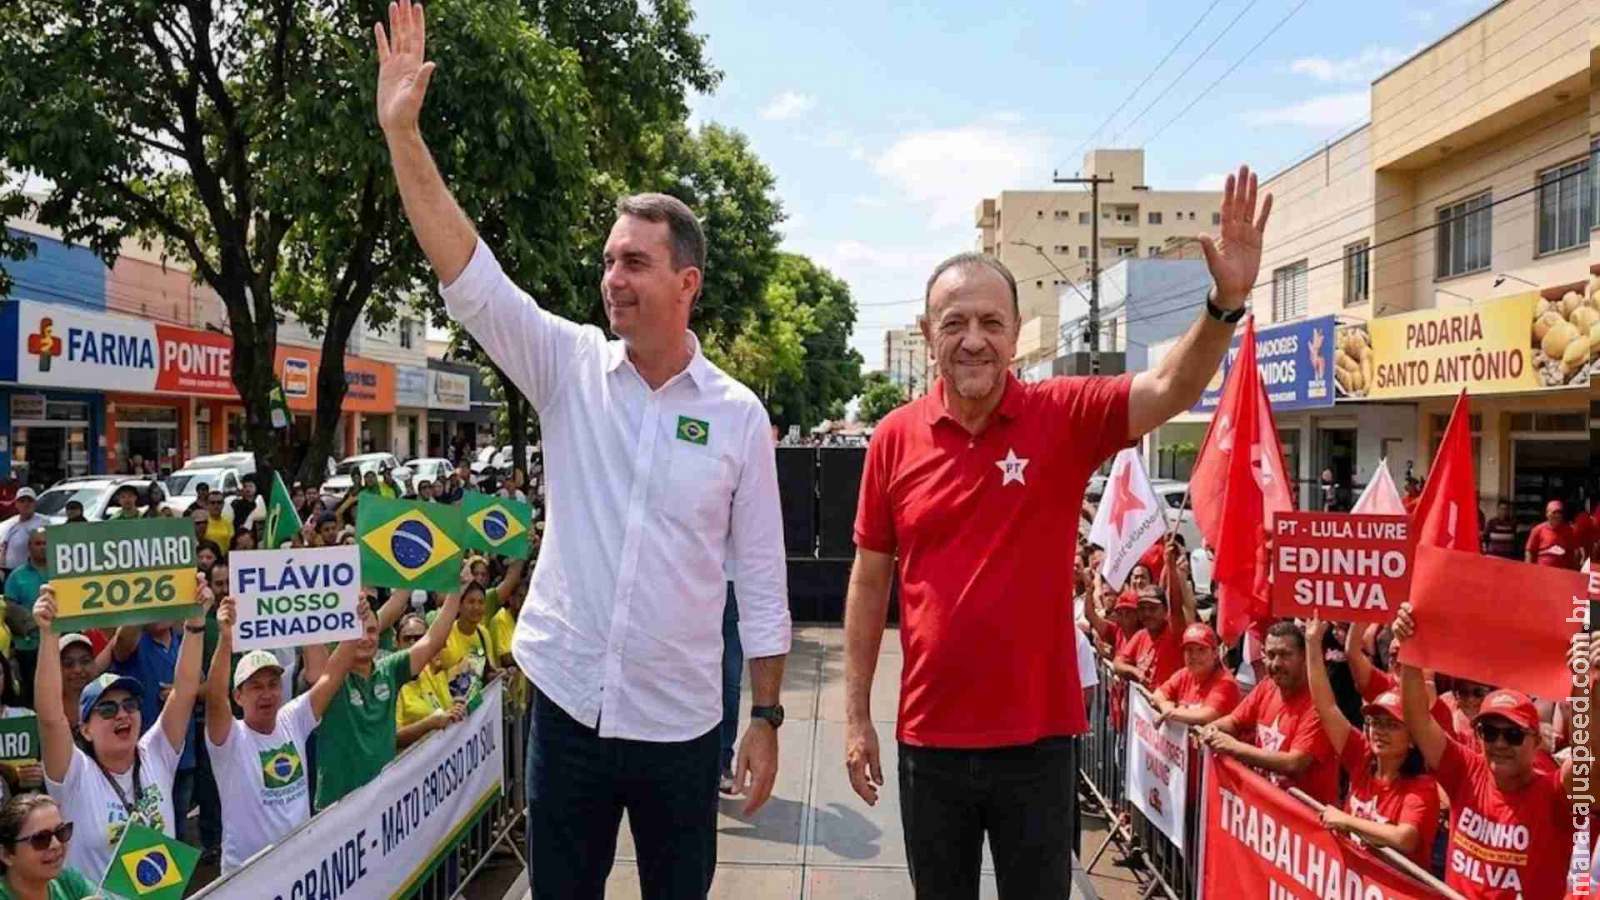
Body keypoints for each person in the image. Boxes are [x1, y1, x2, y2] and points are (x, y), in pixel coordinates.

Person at [377, 4, 793, 894]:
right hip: (566, 712)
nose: (611, 279)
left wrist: (764, 717)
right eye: (608, 261)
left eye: (634, 263)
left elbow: (760, 578)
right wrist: (402, 134)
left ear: (686, 282)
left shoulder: (739, 417)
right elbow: (467, 270)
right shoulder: (567, 366)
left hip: (683, 731)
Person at [842, 162, 1273, 897]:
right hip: (929, 742)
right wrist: (857, 718)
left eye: (990, 322)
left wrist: (1223, 305)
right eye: (955, 323)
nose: (973, 339)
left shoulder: (1062, 415)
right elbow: (868, 579)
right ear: (927, 334)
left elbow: (1172, 387)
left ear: (1014, 334)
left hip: (1038, 744)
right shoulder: (892, 437)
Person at [1391, 601, 1583, 899]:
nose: (1500, 744)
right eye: (1489, 732)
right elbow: (1417, 719)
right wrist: (1410, 651)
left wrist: (1587, 686)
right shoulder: (1466, 770)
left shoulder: (1555, 796)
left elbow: (1590, 755)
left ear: (1535, 741)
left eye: (1513, 735)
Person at [34, 577, 210, 881]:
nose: (122, 714)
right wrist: (49, 634)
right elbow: (51, 717)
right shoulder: (75, 774)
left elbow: (184, 692)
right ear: (85, 730)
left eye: (130, 705)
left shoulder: (156, 752)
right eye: (107, 708)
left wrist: (195, 623)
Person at [203, 596, 359, 873]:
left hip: (299, 868)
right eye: (256, 687)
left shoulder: (292, 718)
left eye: (273, 684)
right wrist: (226, 639)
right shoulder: (229, 738)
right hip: (247, 877)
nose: (267, 694)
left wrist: (354, 625)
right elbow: (215, 697)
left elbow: (331, 676)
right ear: (238, 696)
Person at [303, 569, 461, 811]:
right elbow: (314, 671)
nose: (366, 639)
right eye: (357, 631)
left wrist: (454, 590)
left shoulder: (389, 669)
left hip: (384, 803)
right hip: (337, 812)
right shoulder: (332, 679)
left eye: (372, 631)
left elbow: (432, 641)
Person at [1303, 618, 1439, 870]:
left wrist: (1346, 821)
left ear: (1412, 739)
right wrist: (1312, 643)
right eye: (1375, 722)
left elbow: (1404, 838)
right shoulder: (1361, 755)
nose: (1379, 731)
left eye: (1391, 725)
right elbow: (1326, 707)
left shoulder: (1421, 787)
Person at [1197, 621, 1340, 805]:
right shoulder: (1267, 685)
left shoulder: (1319, 704)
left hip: (1304, 823)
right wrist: (1212, 729)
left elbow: (1294, 763)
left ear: (1304, 656)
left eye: (1285, 655)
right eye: (1271, 655)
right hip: (1265, 814)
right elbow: (1235, 721)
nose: (1276, 663)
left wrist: (1234, 747)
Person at [0, 795, 99, 900]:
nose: (56, 844)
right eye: (41, 838)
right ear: (6, 855)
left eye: (61, 831)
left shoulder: (69, 882)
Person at [1149, 623, 1240, 727]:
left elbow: (1206, 716)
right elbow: (1158, 695)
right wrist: (1166, 706)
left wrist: (1172, 713)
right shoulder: (1185, 673)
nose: (1194, 656)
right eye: (1189, 650)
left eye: (1201, 650)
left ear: (1215, 653)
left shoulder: (1226, 683)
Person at [0, 491, 47, 573]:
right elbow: (3, 546)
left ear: (35, 503)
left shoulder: (44, 523)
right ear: (16, 504)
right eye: (22, 501)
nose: (26, 504)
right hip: (8, 572)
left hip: (32, 572)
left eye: (29, 501)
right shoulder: (8, 523)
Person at [1525, 499, 1579, 570]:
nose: (1557, 515)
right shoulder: (1538, 529)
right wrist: (1528, 569)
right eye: (1554, 512)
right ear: (1547, 514)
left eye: (1560, 513)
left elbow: (1574, 552)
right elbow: (1529, 551)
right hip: (1543, 571)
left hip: (1562, 572)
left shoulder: (1569, 530)